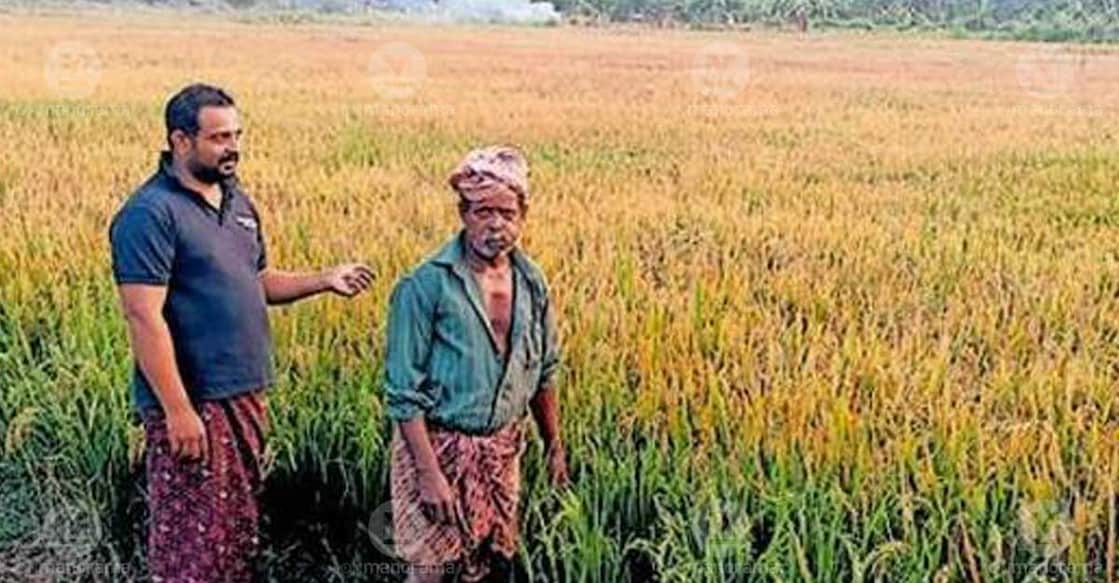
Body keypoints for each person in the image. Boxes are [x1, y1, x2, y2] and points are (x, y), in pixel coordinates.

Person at [109, 83, 374, 582]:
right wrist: (178, 410)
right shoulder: (149, 214)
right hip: (195, 400)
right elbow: (144, 316)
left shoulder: (238, 202)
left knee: (236, 529)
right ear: (180, 141)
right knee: (193, 537)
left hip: (244, 393)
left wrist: (324, 279)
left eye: (237, 135)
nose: (233, 147)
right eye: (219, 137)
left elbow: (255, 283)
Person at [383, 145, 568, 583]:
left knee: (489, 564)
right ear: (463, 213)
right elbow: (402, 394)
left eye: (507, 212)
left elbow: (545, 370)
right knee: (430, 570)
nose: (496, 225)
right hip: (437, 448)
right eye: (483, 211)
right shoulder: (424, 286)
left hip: (501, 452)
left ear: (523, 214)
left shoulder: (531, 281)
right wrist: (430, 476)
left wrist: (554, 446)